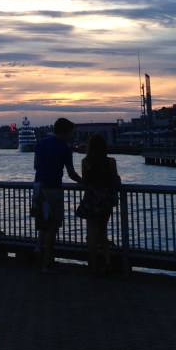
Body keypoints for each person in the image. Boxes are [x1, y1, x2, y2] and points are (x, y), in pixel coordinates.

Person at [32, 117, 81, 273]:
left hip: (38, 188)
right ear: (65, 131)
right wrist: (84, 182)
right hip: (53, 189)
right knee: (52, 227)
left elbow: (35, 166)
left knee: (43, 224)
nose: (72, 135)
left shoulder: (40, 143)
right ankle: (48, 261)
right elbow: (71, 173)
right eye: (71, 132)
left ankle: (39, 251)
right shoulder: (64, 148)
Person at [77, 134, 120, 276]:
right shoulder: (111, 162)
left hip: (91, 198)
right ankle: (108, 263)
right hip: (105, 199)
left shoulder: (85, 162)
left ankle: (94, 266)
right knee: (103, 232)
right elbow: (114, 179)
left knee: (91, 232)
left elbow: (84, 181)